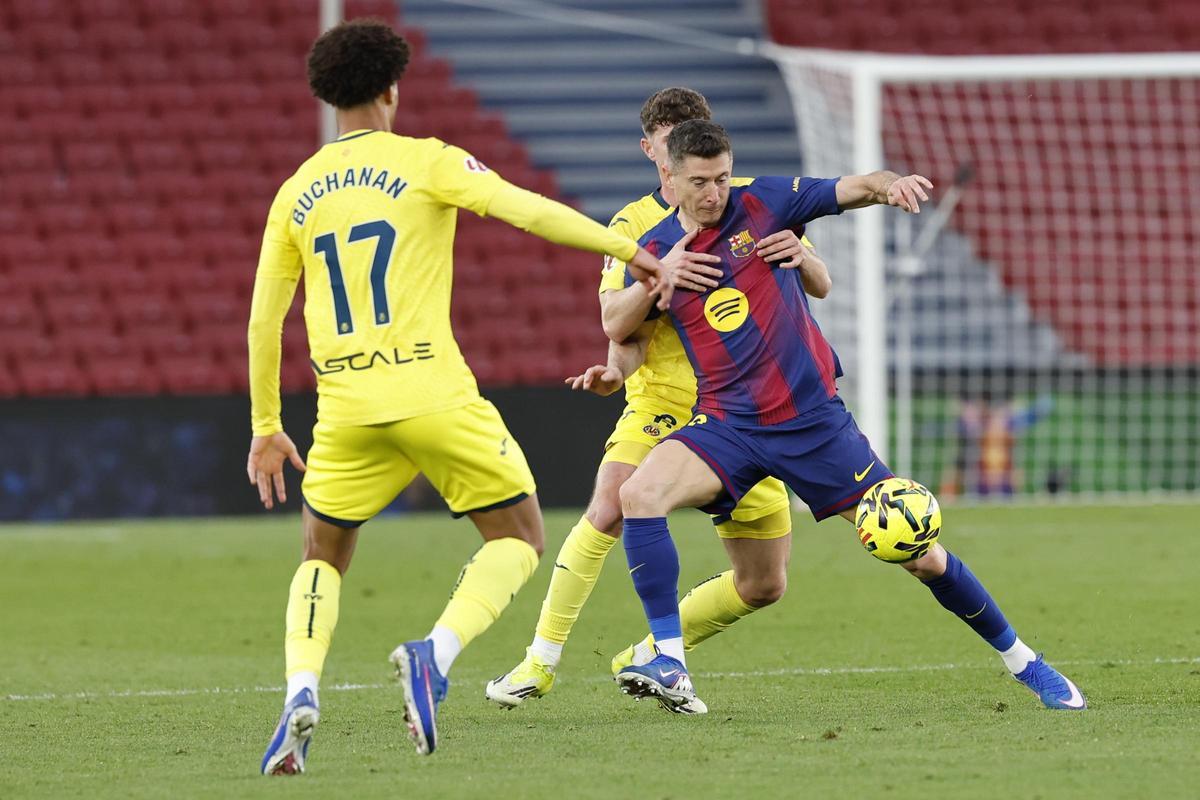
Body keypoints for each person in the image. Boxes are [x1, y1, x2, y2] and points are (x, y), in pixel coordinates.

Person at [247, 19, 671, 774]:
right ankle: (433, 656)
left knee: (322, 553)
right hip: (434, 393)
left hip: (344, 408)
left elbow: (263, 318)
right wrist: (627, 248)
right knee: (519, 539)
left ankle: (299, 693)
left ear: (328, 96)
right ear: (390, 88)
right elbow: (524, 208)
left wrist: (267, 426)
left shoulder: (295, 193)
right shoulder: (428, 162)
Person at [612, 119, 1085, 714]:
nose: (715, 193)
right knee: (639, 496)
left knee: (921, 551)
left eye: (723, 178)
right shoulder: (655, 248)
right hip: (727, 423)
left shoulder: (765, 202)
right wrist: (656, 286)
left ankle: (1027, 664)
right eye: (701, 182)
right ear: (671, 179)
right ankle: (670, 662)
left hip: (812, 422)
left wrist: (893, 186)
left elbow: (857, 186)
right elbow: (620, 329)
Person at [486, 88, 831, 713]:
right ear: (653, 152)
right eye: (668, 146)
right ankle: (539, 661)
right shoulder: (632, 227)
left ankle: (650, 655)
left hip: (750, 404)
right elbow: (620, 326)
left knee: (764, 583)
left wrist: (803, 254)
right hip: (665, 396)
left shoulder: (749, 198)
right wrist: (625, 357)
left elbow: (822, 282)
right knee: (611, 505)